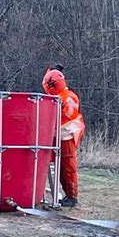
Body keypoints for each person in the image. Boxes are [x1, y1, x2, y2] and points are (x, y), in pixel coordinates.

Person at [42, 65, 85, 207]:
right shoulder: (54, 96)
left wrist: (61, 106)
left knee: (68, 167)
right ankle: (67, 194)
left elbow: (70, 112)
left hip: (67, 134)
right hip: (56, 134)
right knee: (58, 167)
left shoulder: (68, 97)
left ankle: (72, 196)